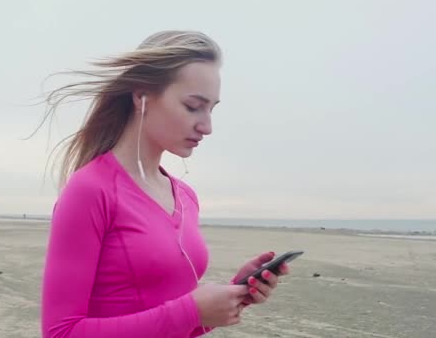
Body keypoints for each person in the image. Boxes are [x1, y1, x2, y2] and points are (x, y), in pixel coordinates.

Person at [39, 30, 291, 338]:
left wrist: (230, 297)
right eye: (192, 106)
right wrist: (192, 310)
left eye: (211, 109)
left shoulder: (185, 197)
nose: (207, 126)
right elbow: (60, 332)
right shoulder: (91, 190)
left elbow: (172, 324)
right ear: (142, 95)